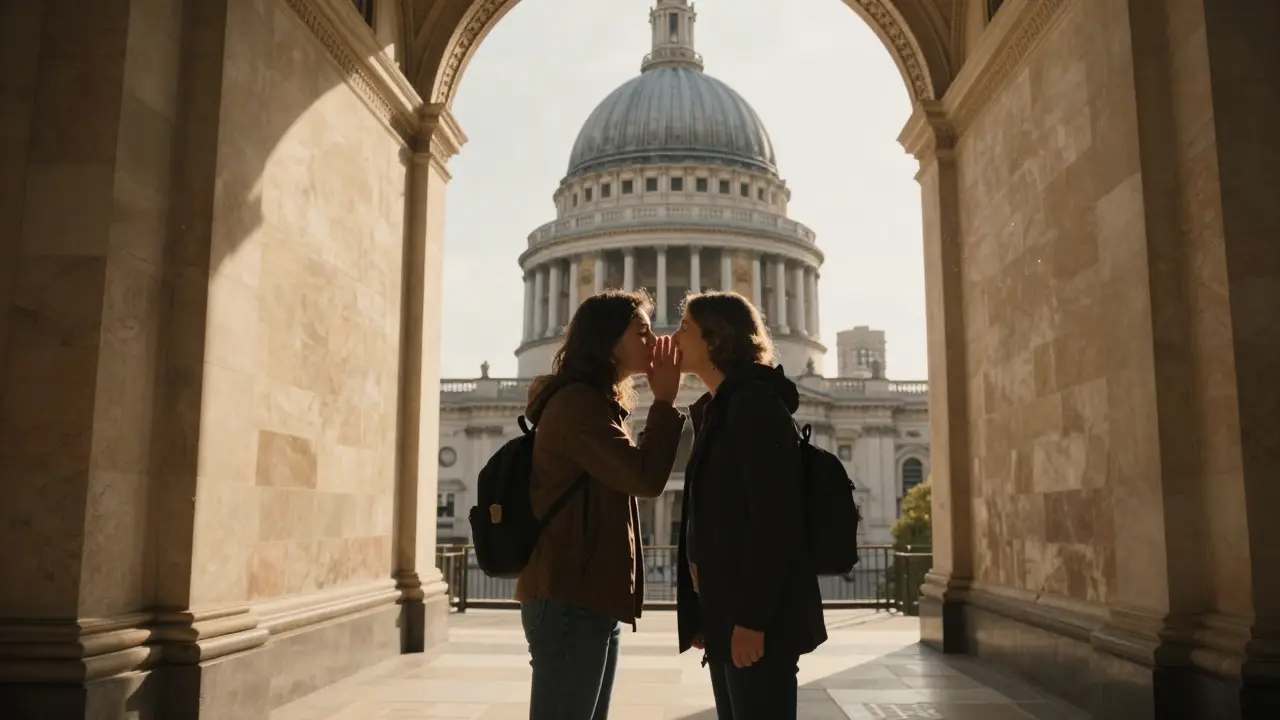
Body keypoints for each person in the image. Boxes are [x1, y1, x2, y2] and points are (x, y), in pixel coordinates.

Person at [516, 289, 686, 720]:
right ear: (609, 340)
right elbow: (645, 479)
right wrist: (663, 402)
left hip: (589, 594)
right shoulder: (578, 405)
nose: (655, 340)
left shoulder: (595, 404)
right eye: (642, 331)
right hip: (570, 596)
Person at [671, 291, 827, 720]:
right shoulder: (720, 408)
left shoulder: (753, 404)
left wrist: (752, 620)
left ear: (715, 340)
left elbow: (775, 520)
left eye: (684, 328)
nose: (674, 336)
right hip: (729, 613)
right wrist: (708, 616)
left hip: (756, 619)